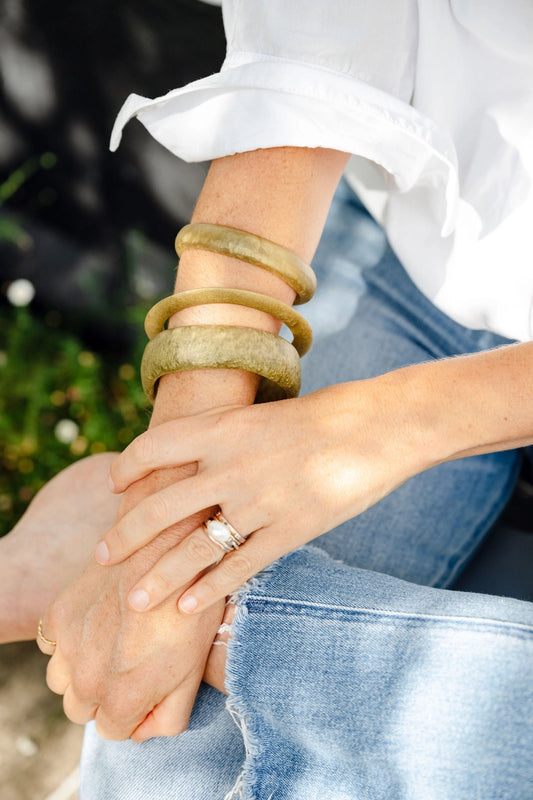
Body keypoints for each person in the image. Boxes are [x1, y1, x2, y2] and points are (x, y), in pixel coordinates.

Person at [23, 1, 533, 797]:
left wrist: (371, 431)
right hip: (448, 252)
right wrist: (170, 508)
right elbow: (305, 63)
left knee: (173, 643)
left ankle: (238, 628)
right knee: (161, 725)